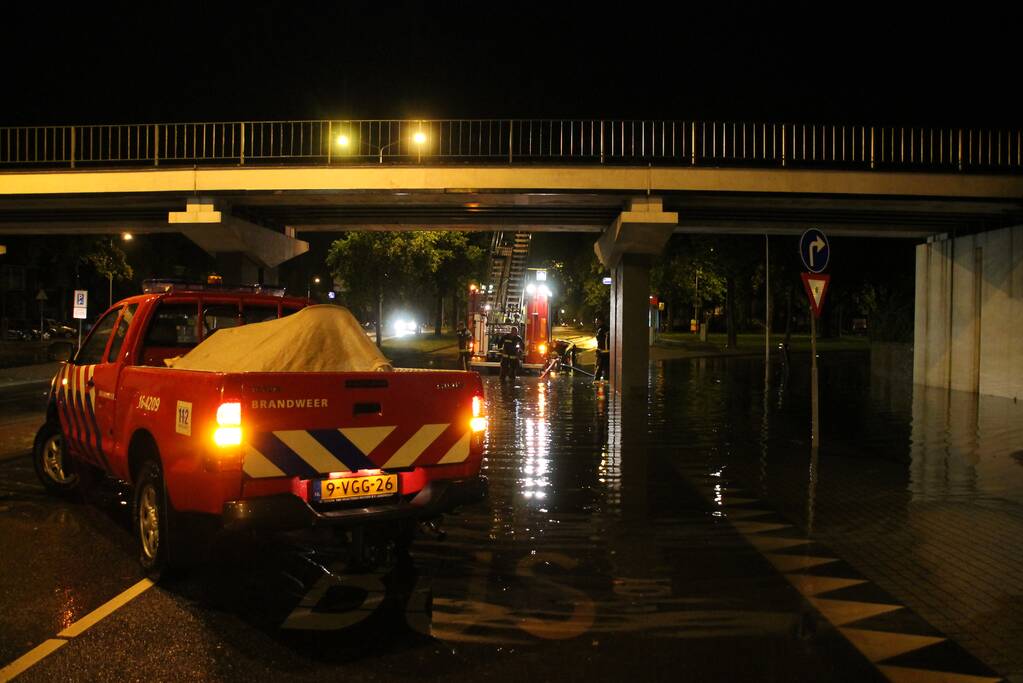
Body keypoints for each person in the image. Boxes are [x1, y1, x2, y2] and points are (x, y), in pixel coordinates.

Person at [594, 317, 610, 381]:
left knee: (600, 367)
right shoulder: (607, 328)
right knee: (606, 368)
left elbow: (600, 342)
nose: (596, 323)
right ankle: (606, 379)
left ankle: (597, 380)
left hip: (603, 352)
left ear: (600, 321)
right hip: (608, 352)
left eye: (597, 322)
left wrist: (598, 351)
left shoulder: (601, 330)